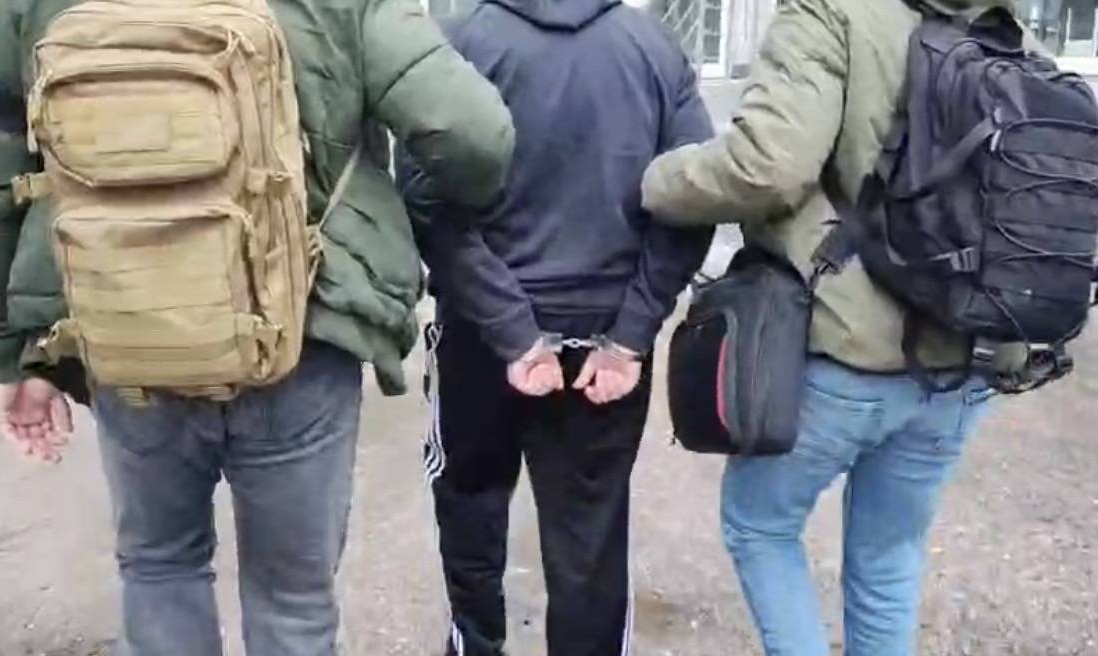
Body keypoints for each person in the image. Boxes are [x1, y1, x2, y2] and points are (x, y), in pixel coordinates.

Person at [0, 0, 513, 653]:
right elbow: (471, 131)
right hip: (300, 330)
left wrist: (10, 355)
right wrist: (429, 209)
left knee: (159, 566)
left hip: (124, 326)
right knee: (293, 599)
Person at [640, 1, 1006, 654]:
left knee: (760, 525)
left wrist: (656, 179)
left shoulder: (829, 11)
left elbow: (765, 167)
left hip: (849, 351)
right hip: (967, 358)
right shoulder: (1004, 29)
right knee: (888, 554)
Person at [397, 0, 713, 653]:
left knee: (470, 504)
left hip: (481, 336)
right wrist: (630, 334)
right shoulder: (653, 49)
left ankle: (475, 644)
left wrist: (511, 329)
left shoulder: (459, 43)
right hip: (602, 344)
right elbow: (694, 199)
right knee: (589, 537)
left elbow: (425, 199)